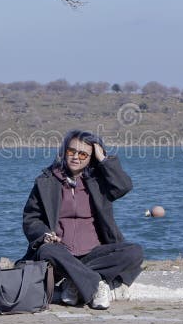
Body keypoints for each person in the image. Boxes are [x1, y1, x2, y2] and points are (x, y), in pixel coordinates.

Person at [20, 130, 143, 310]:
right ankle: (96, 283)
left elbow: (124, 186)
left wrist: (103, 160)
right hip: (61, 252)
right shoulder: (46, 182)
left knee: (135, 252)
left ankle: (74, 280)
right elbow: (30, 218)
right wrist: (44, 235)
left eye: (83, 154)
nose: (76, 157)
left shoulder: (100, 181)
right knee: (46, 252)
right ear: (64, 152)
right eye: (71, 152)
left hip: (94, 251)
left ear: (91, 157)